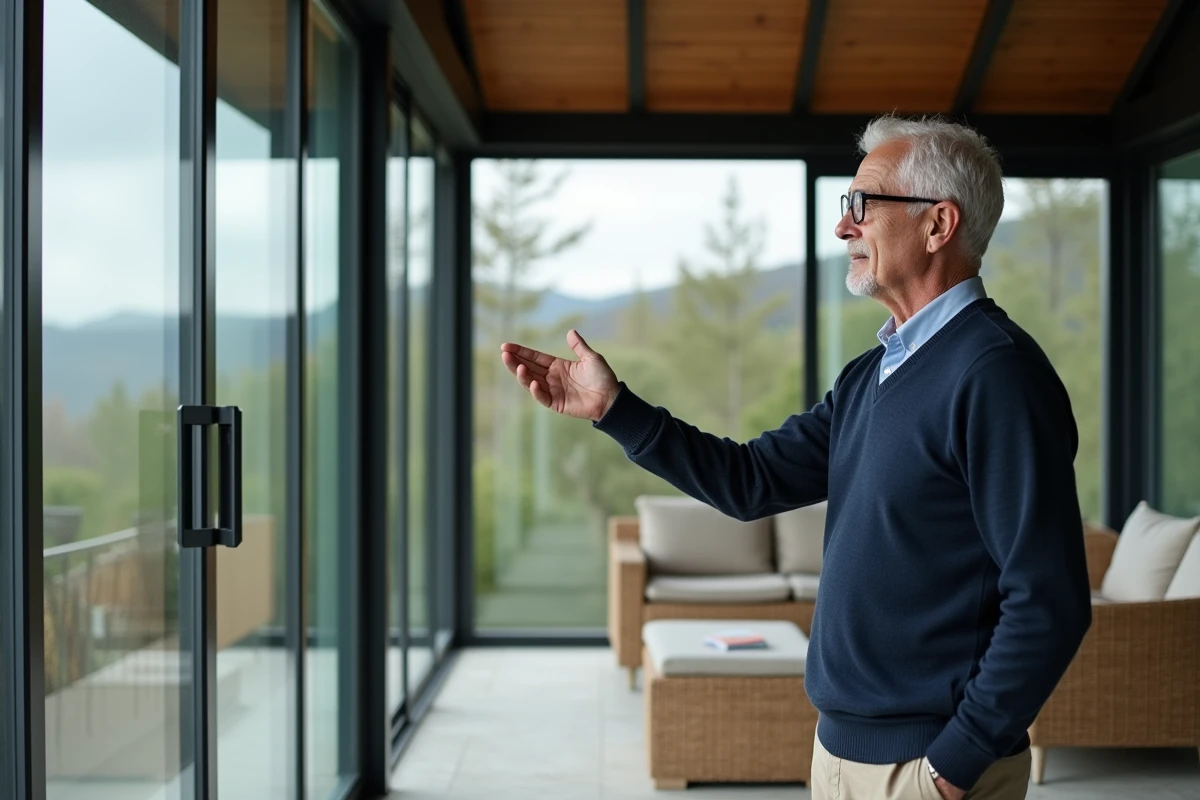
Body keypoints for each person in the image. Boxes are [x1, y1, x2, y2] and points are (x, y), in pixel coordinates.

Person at [499, 115, 1092, 800]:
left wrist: (955, 763)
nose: (844, 228)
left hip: (928, 768)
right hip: (837, 753)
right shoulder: (871, 376)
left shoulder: (997, 375)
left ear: (938, 225)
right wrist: (615, 409)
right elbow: (748, 482)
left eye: (862, 206)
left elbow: (1048, 600)